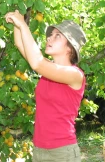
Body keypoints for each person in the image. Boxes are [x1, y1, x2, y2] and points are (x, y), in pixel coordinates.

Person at [5, 10, 87, 162]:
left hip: (63, 152)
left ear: (70, 47)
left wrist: (23, 25)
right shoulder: (49, 70)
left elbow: (37, 62)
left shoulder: (75, 75)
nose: (49, 38)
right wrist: (17, 17)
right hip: (40, 150)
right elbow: (19, 43)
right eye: (51, 34)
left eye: (57, 36)